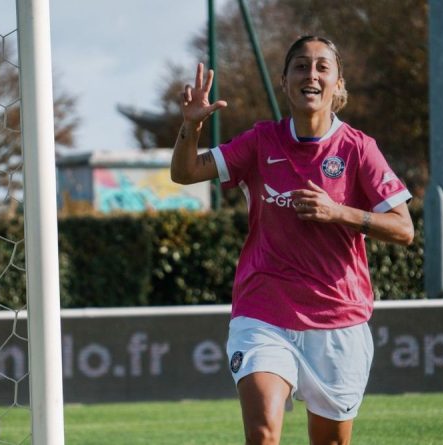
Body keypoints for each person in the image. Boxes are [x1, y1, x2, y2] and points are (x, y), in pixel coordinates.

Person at [170, 35, 414, 445]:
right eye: (301, 66)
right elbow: (185, 172)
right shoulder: (260, 141)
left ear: (338, 84)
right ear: (284, 81)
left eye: (322, 67)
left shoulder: (359, 149)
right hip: (263, 313)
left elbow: (403, 229)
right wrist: (192, 125)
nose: (311, 75)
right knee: (263, 434)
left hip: (339, 319)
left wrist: (338, 212)